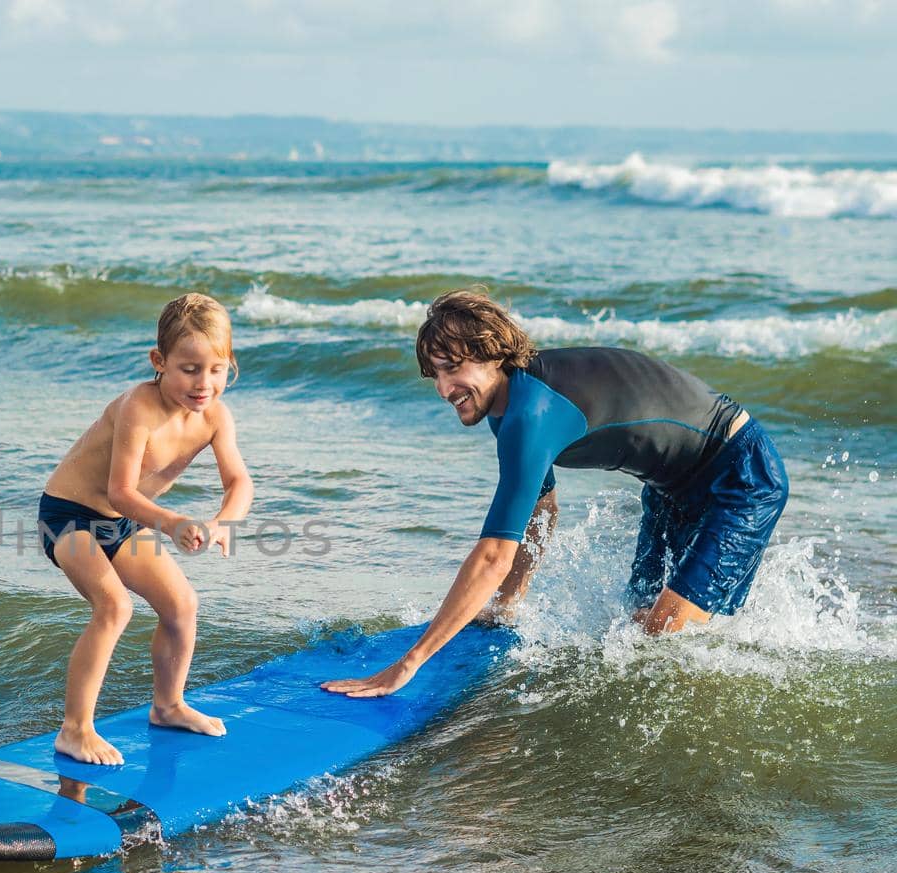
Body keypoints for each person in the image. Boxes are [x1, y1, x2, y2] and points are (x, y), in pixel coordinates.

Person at [323, 289, 788, 699]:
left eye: (453, 369)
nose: (445, 389)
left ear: (493, 354)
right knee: (636, 630)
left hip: (739, 477)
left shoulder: (530, 414)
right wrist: (508, 603)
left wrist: (409, 663)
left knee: (661, 636)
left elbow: (492, 556)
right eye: (435, 376)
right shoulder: (507, 409)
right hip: (670, 490)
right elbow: (542, 509)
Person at [40, 293, 253, 764]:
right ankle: (74, 730)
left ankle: (169, 705)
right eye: (189, 369)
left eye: (216, 369)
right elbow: (119, 490)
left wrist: (223, 524)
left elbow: (239, 481)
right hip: (68, 516)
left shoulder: (215, 417)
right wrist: (173, 522)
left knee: (181, 605)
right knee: (114, 607)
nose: (203, 383)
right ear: (160, 361)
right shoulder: (138, 405)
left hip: (124, 522)